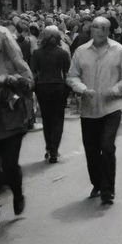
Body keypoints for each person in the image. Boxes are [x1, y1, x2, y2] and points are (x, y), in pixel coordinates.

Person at [67, 17, 122, 205]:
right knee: (92, 149)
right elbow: (72, 76)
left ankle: (108, 189)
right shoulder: (81, 52)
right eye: (95, 27)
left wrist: (114, 91)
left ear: (108, 31)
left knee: (107, 145)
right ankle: (97, 182)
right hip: (89, 108)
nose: (98, 31)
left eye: (103, 28)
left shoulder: (119, 51)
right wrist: (82, 89)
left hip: (112, 107)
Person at [0, 24, 34, 221]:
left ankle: (17, 193)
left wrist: (14, 80)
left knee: (10, 165)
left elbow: (25, 74)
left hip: (8, 112)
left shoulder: (3, 35)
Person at [31, 26, 70, 163]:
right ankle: (54, 149)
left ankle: (49, 147)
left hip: (42, 87)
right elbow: (67, 73)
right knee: (58, 119)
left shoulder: (37, 53)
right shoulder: (63, 53)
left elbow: (34, 72)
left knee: (46, 119)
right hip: (58, 87)